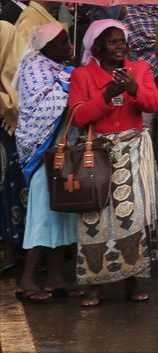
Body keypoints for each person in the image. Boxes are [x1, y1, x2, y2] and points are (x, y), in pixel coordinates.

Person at [68, 20, 158, 307]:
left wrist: (135, 89)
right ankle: (94, 284)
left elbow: (155, 103)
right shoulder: (82, 76)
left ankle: (133, 279)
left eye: (122, 40)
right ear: (97, 47)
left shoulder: (140, 70)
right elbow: (79, 116)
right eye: (112, 41)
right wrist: (106, 96)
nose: (120, 46)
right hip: (96, 153)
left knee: (130, 217)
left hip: (133, 151)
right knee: (94, 218)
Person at [14, 25, 79, 302]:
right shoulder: (33, 68)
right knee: (41, 213)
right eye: (62, 42)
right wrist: (70, 81)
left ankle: (55, 277)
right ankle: (27, 279)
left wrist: (71, 74)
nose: (68, 46)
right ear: (46, 45)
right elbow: (42, 106)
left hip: (63, 151)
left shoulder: (61, 67)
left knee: (61, 213)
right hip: (42, 152)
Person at [0, 21, 25, 275]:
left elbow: (17, 74)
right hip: (7, 123)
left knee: (9, 186)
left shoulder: (6, 31)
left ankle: (11, 252)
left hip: (6, 126)